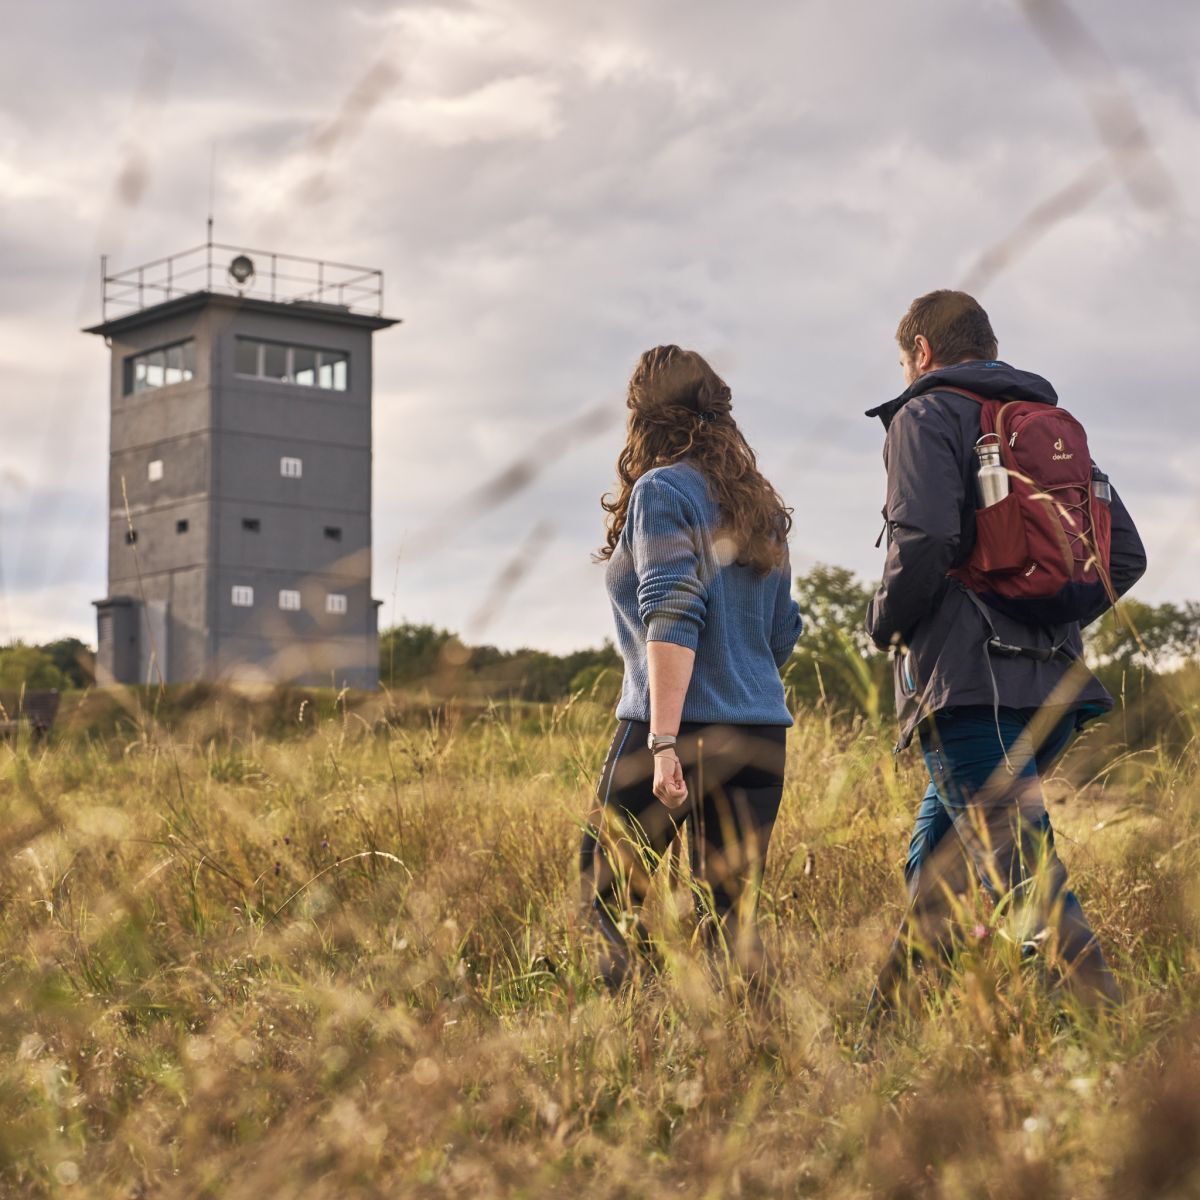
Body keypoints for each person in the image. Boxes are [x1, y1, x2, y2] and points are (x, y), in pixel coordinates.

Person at [864, 289, 1146, 1016]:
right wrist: (1047, 613)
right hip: (1054, 690)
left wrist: (885, 625)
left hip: (967, 690)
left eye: (903, 361)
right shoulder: (1050, 424)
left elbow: (921, 542)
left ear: (920, 353)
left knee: (1023, 878)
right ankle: (886, 1037)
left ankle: (1108, 1043)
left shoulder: (925, 413)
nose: (905, 372)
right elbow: (1126, 556)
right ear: (989, 349)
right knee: (940, 871)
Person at [580, 344, 803, 991]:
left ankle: (624, 1047)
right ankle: (745, 1064)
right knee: (730, 926)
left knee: (606, 896)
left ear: (645, 416)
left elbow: (673, 615)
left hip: (676, 729)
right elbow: (782, 632)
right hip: (760, 736)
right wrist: (741, 678)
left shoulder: (662, 490)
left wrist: (664, 742)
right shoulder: (756, 504)